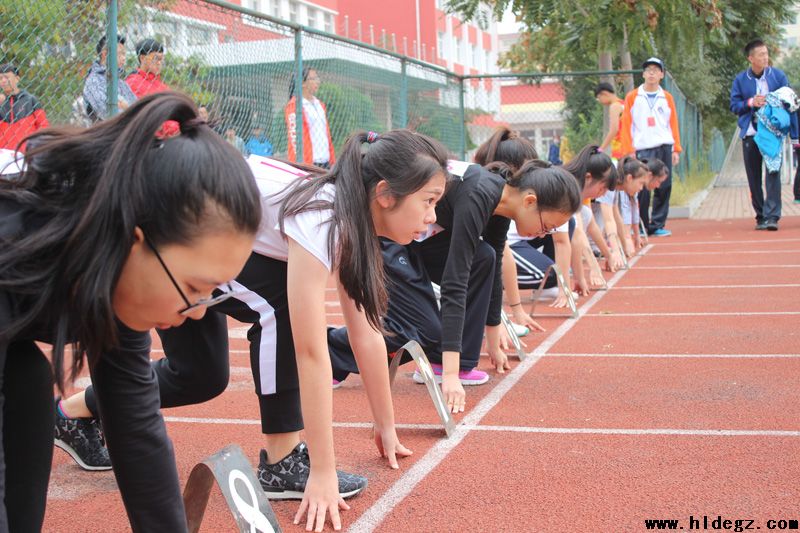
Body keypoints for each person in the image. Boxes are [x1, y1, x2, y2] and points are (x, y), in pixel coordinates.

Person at [55, 129, 449, 532]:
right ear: (385, 193)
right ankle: (282, 460)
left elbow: (365, 330)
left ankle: (73, 412)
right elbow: (311, 352)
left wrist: (385, 424)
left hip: (214, 237)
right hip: (176, 234)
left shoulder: (353, 221)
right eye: (429, 201)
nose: (433, 217)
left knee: (201, 377)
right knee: (281, 304)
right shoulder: (326, 217)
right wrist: (324, 472)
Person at [0, 92, 262, 531]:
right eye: (195, 288)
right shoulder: (14, 244)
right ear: (136, 240)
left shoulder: (112, 266)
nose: (198, 314)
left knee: (26, 379)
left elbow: (135, 429)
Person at [328, 153, 582, 408]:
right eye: (547, 226)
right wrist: (450, 378)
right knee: (425, 330)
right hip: (386, 234)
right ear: (529, 201)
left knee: (485, 257)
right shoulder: (479, 194)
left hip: (416, 238)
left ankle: (446, 360)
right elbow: (455, 281)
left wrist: (494, 343)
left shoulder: (500, 203)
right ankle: (330, 352)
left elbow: (491, 271)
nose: (544, 234)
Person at [730, 39, 798, 231]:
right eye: (760, 54)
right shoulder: (741, 80)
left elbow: (791, 102)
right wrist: (751, 102)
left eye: (766, 53)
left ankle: (772, 217)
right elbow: (734, 106)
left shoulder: (778, 76)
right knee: (754, 177)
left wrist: (774, 103)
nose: (765, 57)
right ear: (750, 58)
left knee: (773, 173)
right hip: (751, 133)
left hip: (773, 135)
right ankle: (760, 215)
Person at [620, 57, 682, 237]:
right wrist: (629, 150)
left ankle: (657, 224)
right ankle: (641, 224)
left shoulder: (667, 98)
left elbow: (673, 123)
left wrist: (675, 148)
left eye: (656, 70)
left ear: (662, 74)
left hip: (664, 146)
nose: (652, 73)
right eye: (648, 70)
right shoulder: (633, 97)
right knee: (643, 187)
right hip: (643, 148)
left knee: (664, 185)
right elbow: (626, 124)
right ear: (643, 74)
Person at [285, 67, 335, 168]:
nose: (318, 81)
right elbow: (295, 139)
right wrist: (305, 165)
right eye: (313, 79)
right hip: (308, 164)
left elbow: (327, 134)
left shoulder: (320, 105)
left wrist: (332, 160)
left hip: (325, 162)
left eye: (317, 78)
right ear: (302, 83)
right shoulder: (294, 105)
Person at [83, 34, 137, 122]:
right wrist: (128, 108)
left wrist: (124, 106)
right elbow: (107, 113)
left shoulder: (121, 83)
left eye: (124, 54)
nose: (124, 58)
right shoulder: (93, 81)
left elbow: (138, 108)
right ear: (105, 54)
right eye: (120, 53)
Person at [0, 63, 49, 152]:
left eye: (7, 77)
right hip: (4, 155)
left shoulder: (30, 100)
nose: (3, 81)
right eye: (0, 78)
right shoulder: (1, 102)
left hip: (27, 153)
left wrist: (36, 148)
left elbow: (43, 126)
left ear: (17, 79)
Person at [595, 82, 625, 160]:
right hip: (629, 145)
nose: (600, 101)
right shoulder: (623, 103)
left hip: (620, 148)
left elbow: (614, 130)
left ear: (604, 93)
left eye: (599, 98)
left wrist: (601, 148)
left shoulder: (614, 106)